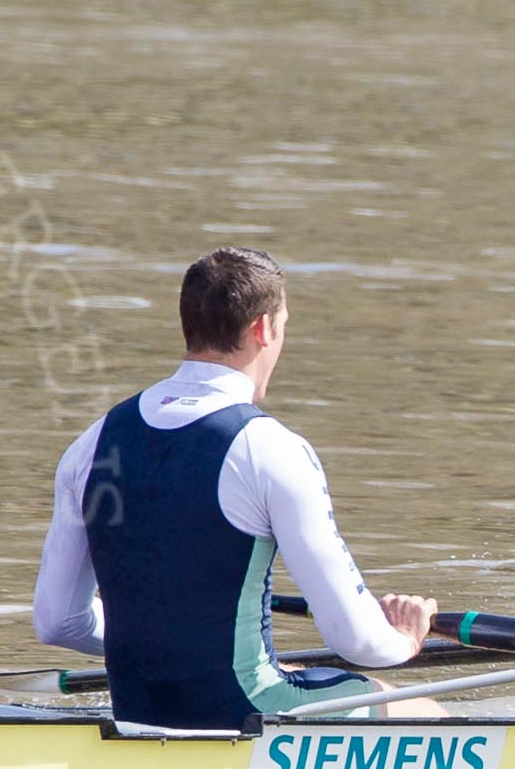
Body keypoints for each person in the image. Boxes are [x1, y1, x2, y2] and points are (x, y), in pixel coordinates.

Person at [33, 246, 442, 728]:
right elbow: (356, 641)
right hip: (242, 712)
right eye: (284, 328)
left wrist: (178, 641)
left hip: (136, 711)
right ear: (263, 328)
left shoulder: (92, 442)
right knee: (424, 709)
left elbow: (58, 620)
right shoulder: (270, 449)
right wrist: (405, 639)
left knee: (294, 675)